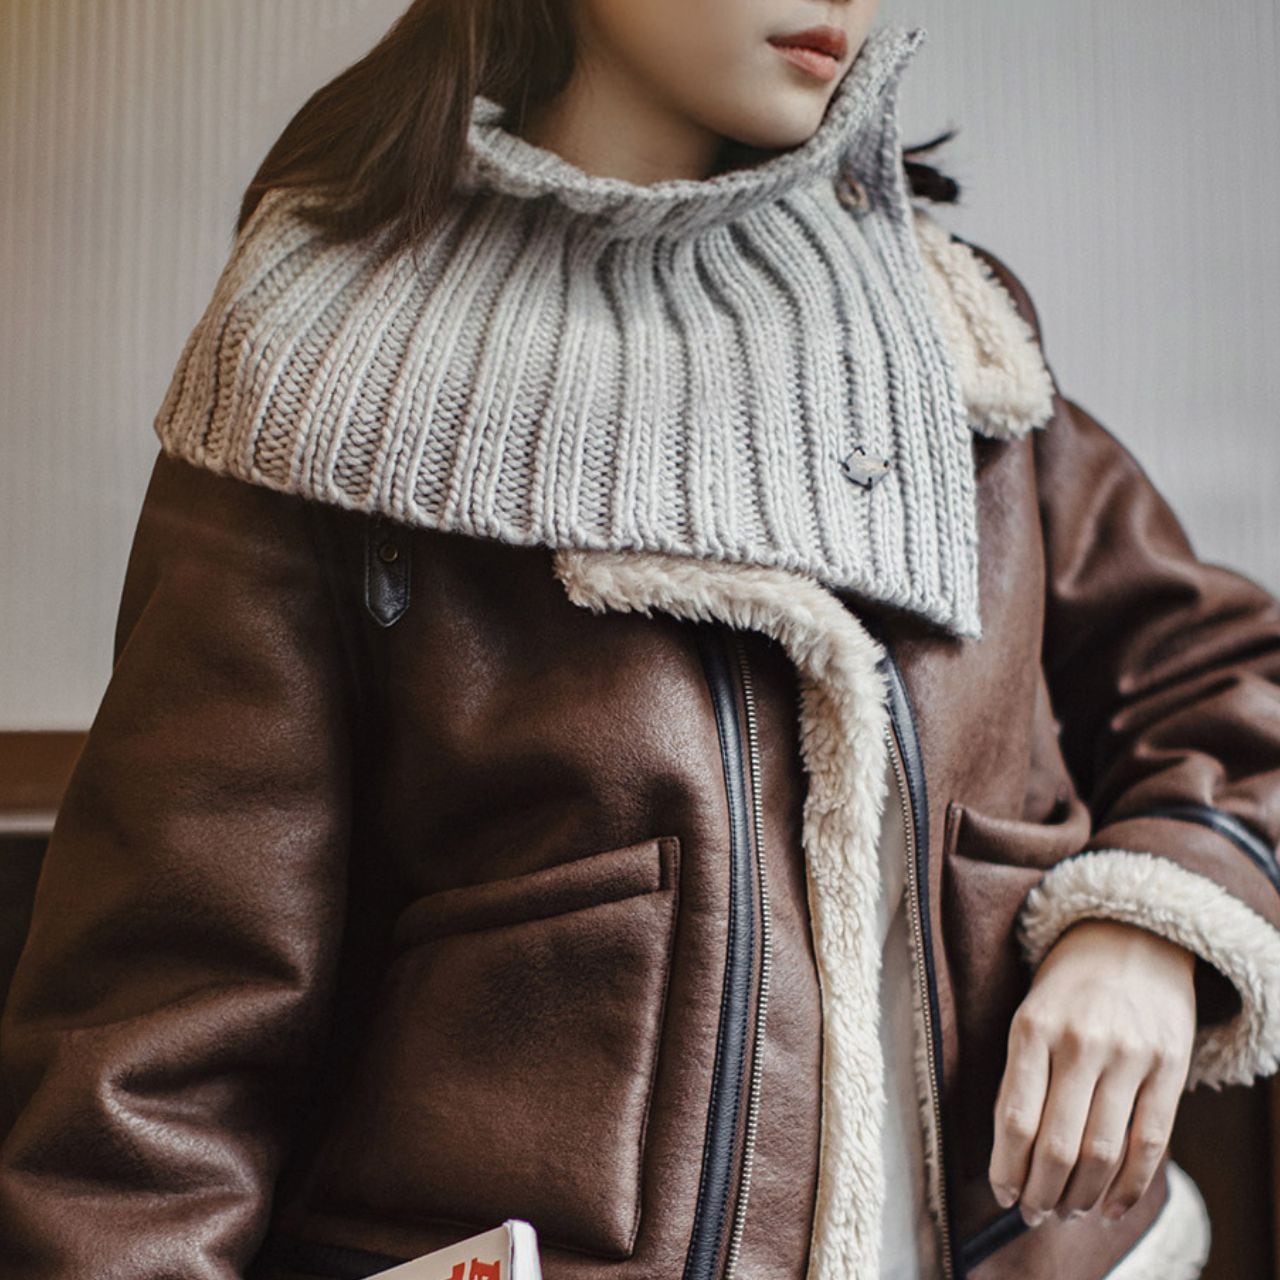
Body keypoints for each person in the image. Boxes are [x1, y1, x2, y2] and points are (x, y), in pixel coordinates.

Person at [1, 1, 1278, 1277]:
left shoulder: (949, 343)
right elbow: (152, 1068)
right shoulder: (322, 370)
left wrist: (1144, 927)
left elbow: (1229, 679)